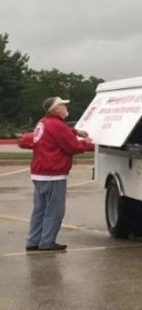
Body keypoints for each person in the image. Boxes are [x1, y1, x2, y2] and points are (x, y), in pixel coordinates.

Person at [26, 97, 91, 252]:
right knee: (55, 211)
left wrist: (75, 131)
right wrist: (87, 142)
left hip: (39, 172)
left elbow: (60, 132)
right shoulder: (56, 124)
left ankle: (33, 240)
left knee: (39, 209)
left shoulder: (44, 122)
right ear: (55, 109)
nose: (65, 108)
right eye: (62, 105)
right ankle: (47, 242)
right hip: (53, 173)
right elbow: (73, 146)